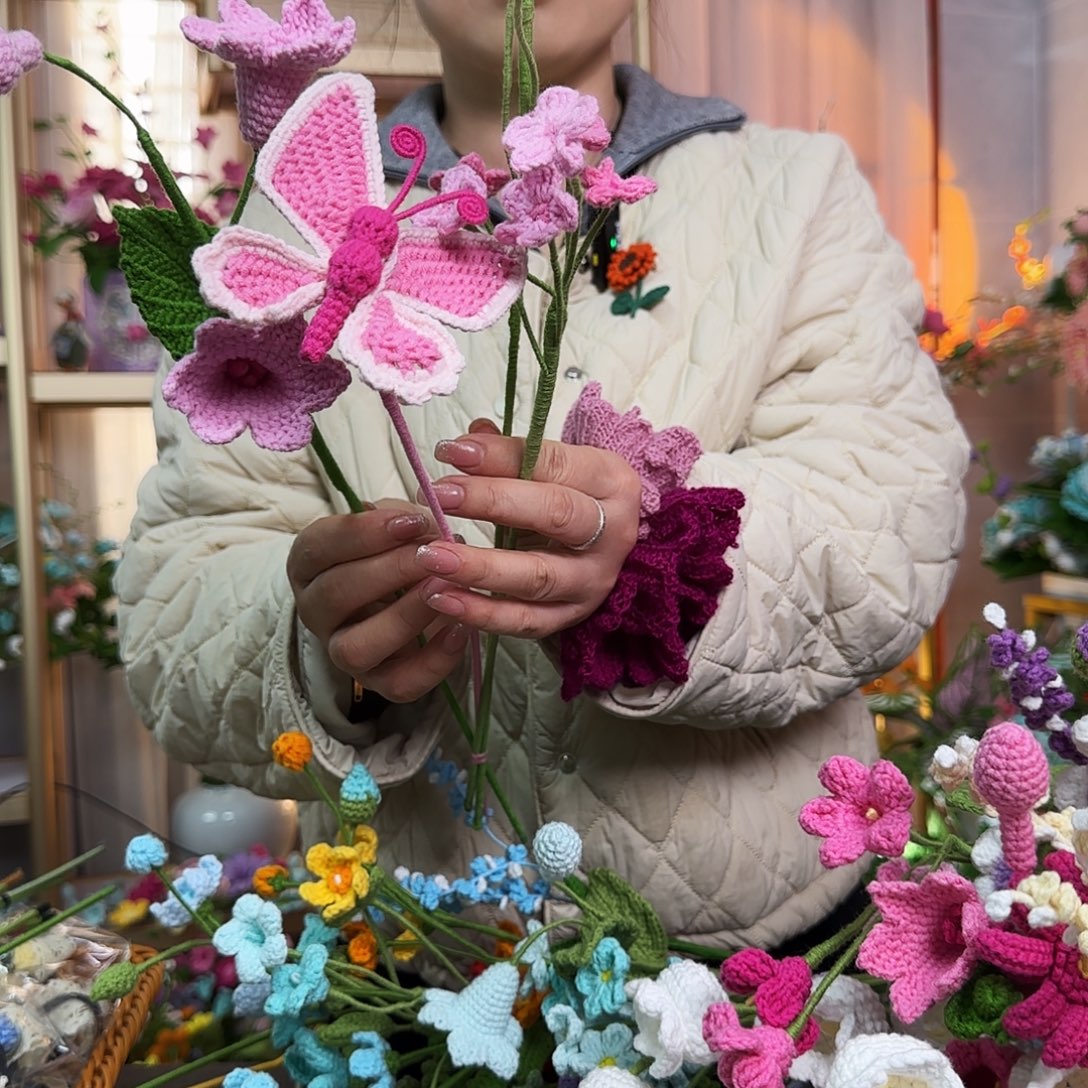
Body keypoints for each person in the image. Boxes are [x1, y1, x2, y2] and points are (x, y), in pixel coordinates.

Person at [116, 0, 970, 951]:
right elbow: (175, 600)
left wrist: (661, 568)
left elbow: (891, 511)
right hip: (413, 963)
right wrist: (328, 654)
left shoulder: (794, 189)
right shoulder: (275, 245)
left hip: (765, 949)